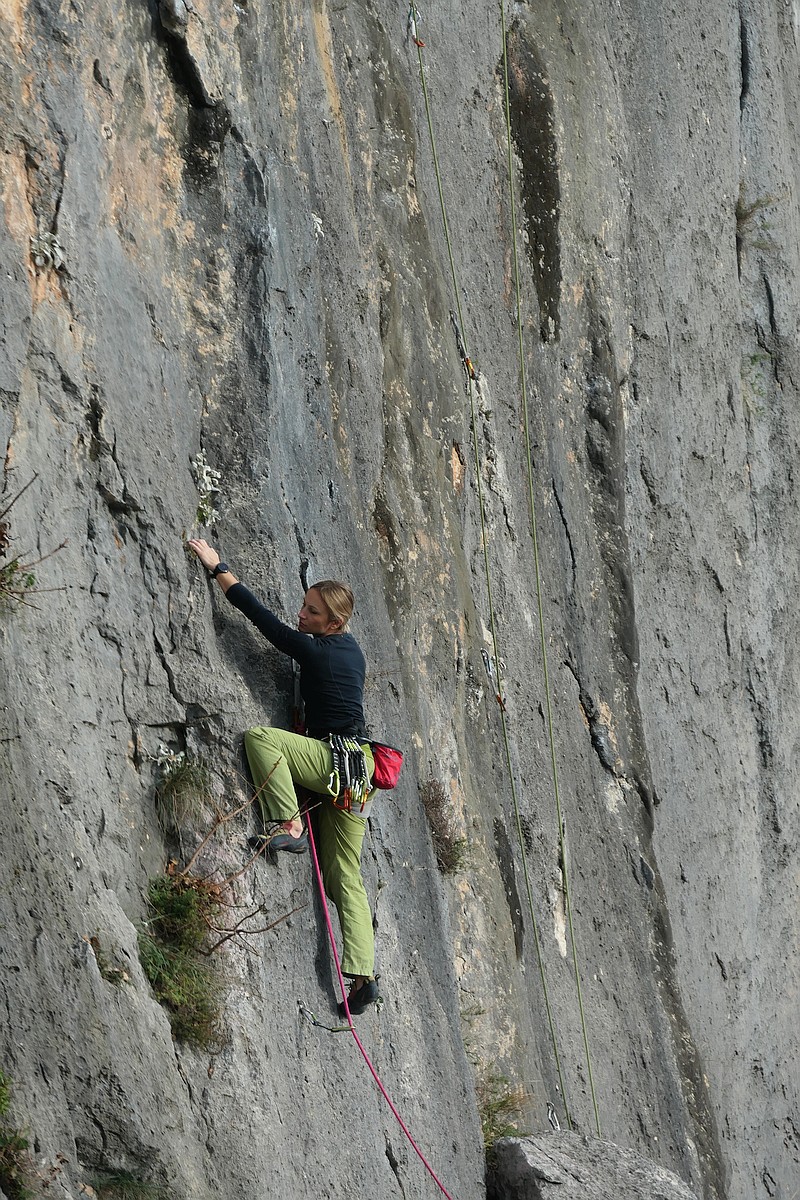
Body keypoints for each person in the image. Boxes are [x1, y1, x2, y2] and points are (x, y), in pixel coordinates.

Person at [187, 537, 379, 1016]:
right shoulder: (351, 651)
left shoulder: (318, 651)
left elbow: (264, 623)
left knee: (261, 739)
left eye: (313, 613)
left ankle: (288, 824)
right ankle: (362, 976)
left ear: (332, 624)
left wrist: (219, 568)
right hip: (358, 776)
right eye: (305, 605)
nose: (302, 615)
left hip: (333, 763)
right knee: (345, 877)